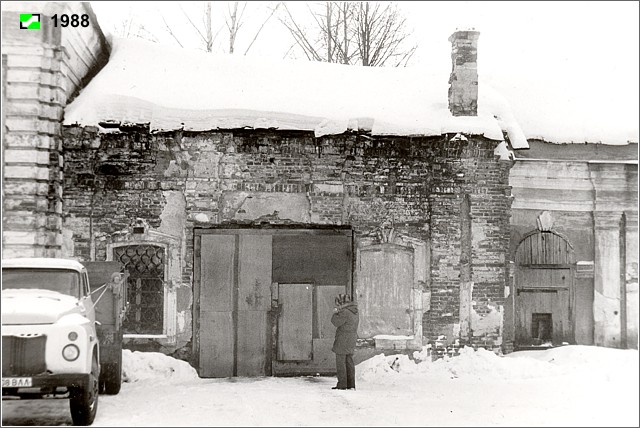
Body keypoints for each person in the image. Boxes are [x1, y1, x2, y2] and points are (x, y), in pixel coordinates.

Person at [331, 293, 359, 390]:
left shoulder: (345, 312)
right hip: (351, 338)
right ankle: (351, 384)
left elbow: (335, 322)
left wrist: (335, 313)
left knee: (341, 361)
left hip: (343, 338)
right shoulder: (354, 311)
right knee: (349, 361)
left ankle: (342, 384)